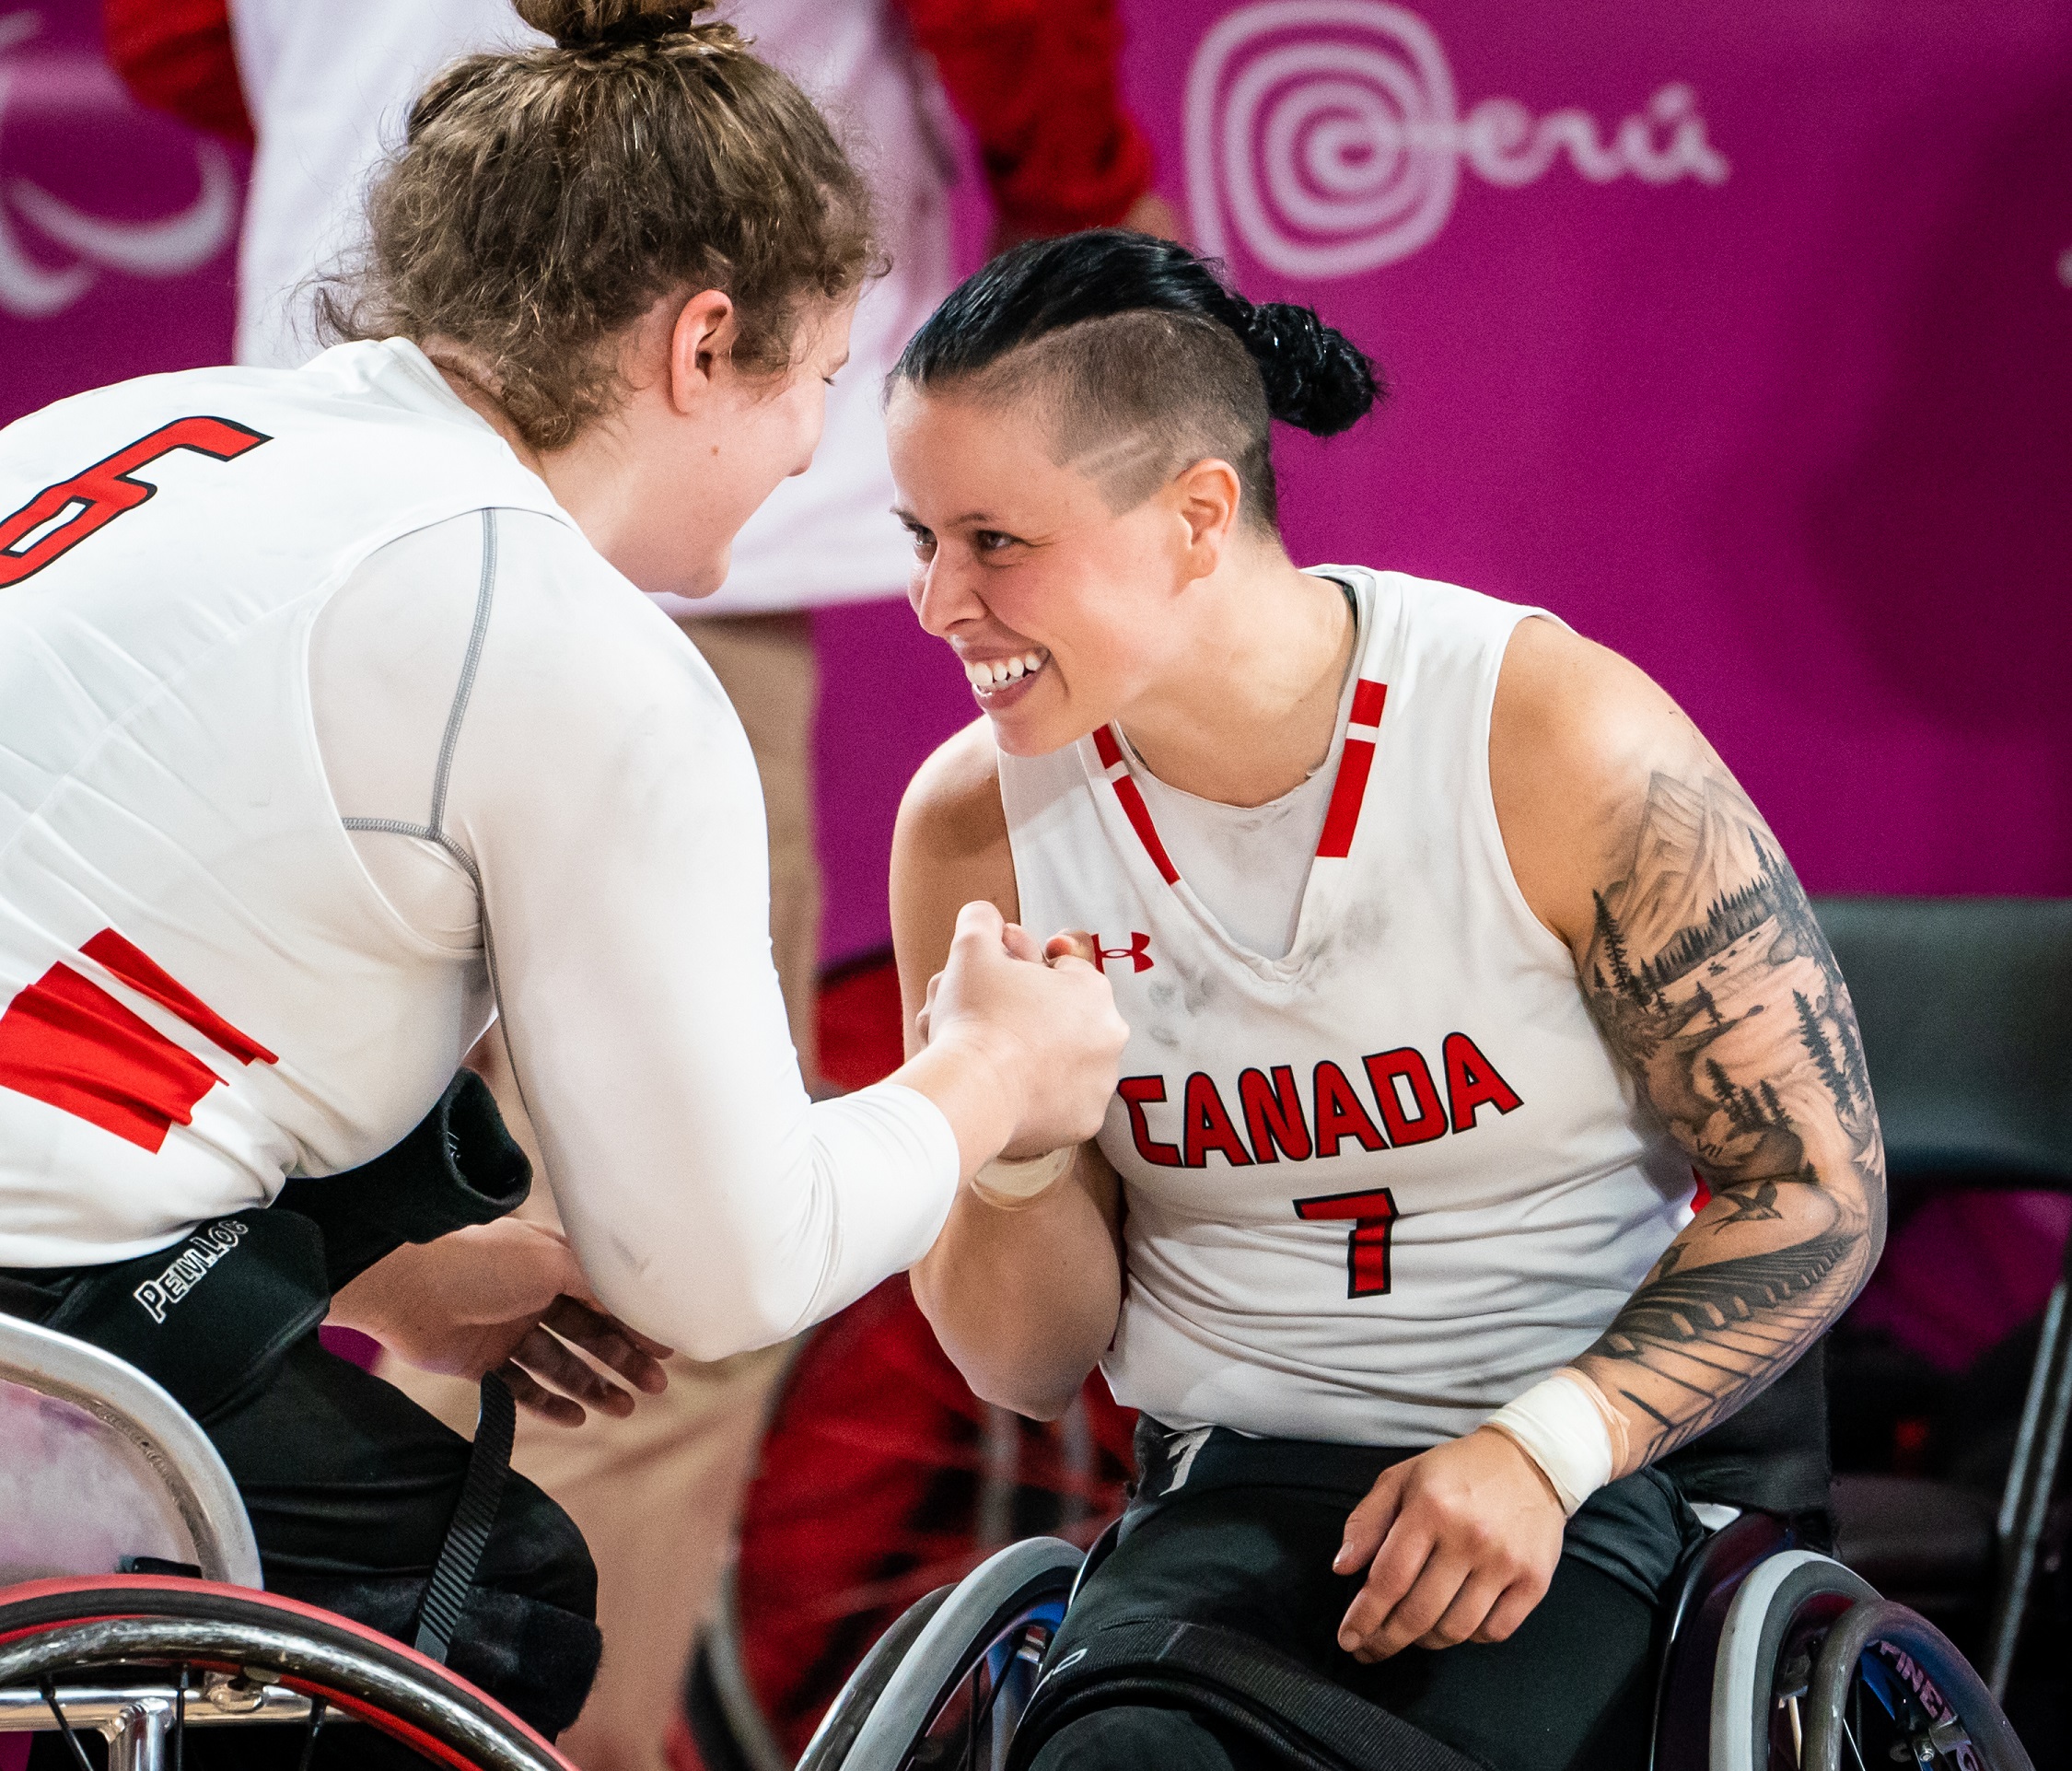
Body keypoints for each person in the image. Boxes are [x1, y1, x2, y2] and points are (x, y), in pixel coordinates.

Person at [0, 3, 1125, 1754]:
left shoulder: (136, 427)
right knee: (492, 1598)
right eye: (815, 385)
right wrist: (991, 1078)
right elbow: (726, 1271)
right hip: (31, 1328)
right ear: (701, 347)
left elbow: (104, 939)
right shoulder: (562, 643)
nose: (806, 456)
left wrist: (381, 1279)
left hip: (55, 1262)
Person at [887, 232, 1887, 1771]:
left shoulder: (1552, 739)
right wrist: (1017, 1138)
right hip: (1224, 1487)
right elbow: (1024, 1368)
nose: (937, 601)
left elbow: (1811, 1188)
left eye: (993, 541)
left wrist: (1541, 1453)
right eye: (916, 538)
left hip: (1586, 1476)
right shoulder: (972, 831)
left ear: (1196, 518)